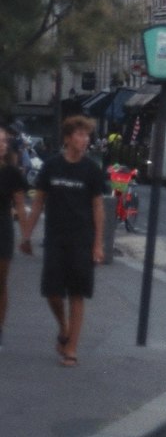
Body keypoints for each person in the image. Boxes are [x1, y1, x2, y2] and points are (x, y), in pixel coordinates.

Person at [21, 115, 105, 366]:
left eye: (87, 135)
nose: (85, 140)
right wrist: (27, 234)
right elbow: (38, 202)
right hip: (55, 238)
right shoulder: (52, 166)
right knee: (53, 294)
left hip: (82, 239)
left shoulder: (91, 170)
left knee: (77, 294)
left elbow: (98, 207)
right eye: (79, 135)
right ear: (68, 138)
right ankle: (63, 326)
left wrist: (98, 244)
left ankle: (72, 348)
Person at [0, 127, 30, 349]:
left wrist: (25, 235)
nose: (2, 145)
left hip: (2, 230)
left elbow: (20, 205)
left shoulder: (11, 173)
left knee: (1, 283)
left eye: (4, 141)